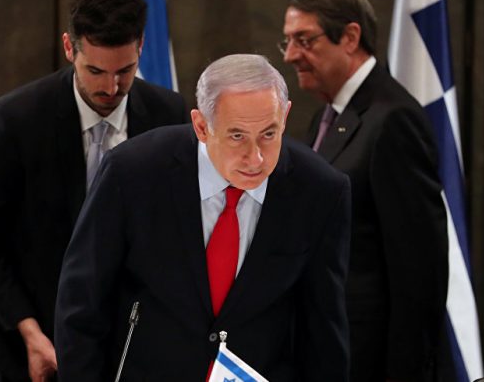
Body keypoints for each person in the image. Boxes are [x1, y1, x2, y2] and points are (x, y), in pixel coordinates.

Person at [54, 54, 351, 381]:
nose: (255, 158)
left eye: (269, 134)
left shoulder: (320, 191)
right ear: (201, 126)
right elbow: (82, 305)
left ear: (285, 115)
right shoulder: (132, 172)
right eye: (237, 136)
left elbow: (324, 333)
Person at [0, 0, 186, 381]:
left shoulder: (170, 116)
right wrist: (29, 333)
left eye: (124, 71)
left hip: (130, 349)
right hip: (31, 342)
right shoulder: (14, 121)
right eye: (95, 71)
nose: (110, 88)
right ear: (69, 47)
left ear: (141, 48)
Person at [280, 0, 449, 381]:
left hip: (369, 361)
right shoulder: (326, 118)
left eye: (304, 40)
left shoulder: (393, 120)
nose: (290, 55)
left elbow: (418, 272)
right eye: (287, 41)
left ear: (350, 37)